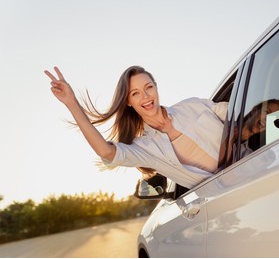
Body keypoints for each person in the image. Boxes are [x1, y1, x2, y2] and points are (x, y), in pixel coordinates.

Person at [45, 66, 228, 189]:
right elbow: (105, 151)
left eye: (149, 87)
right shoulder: (145, 148)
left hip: (254, 166)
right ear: (129, 102)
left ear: (156, 88)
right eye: (135, 93)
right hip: (223, 196)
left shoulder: (193, 105)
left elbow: (240, 113)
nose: (146, 97)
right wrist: (71, 102)